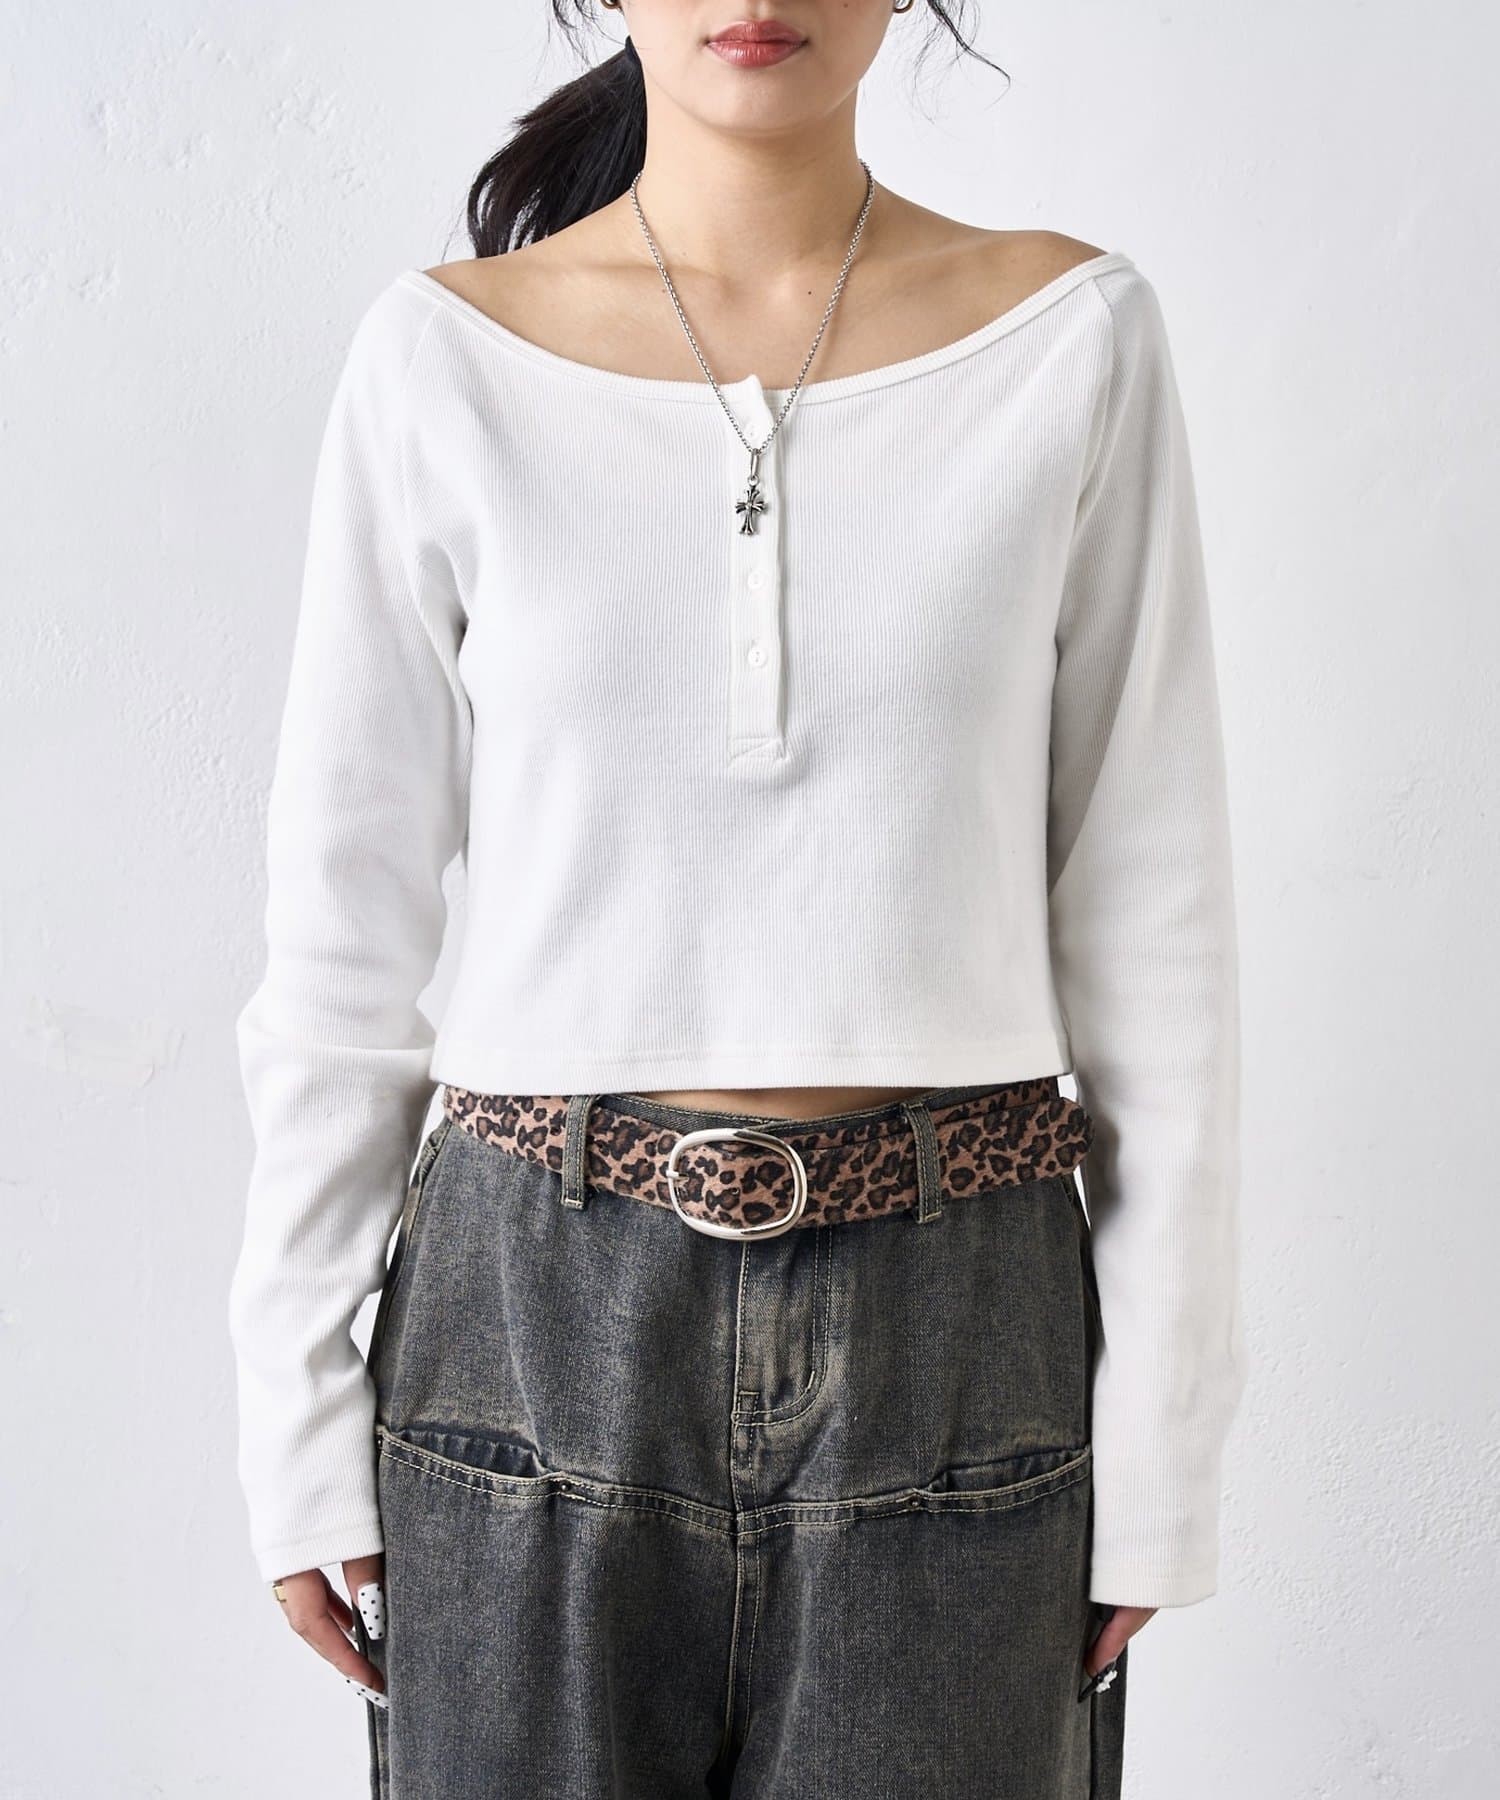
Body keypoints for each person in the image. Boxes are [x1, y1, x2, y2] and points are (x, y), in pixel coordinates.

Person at [227, 2, 1248, 1794]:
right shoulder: (442, 360)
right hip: (526, 1324)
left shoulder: (1069, 338)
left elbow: (1155, 921)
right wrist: (292, 1410)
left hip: (963, 1331)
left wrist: (1164, 1437)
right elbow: (343, 929)